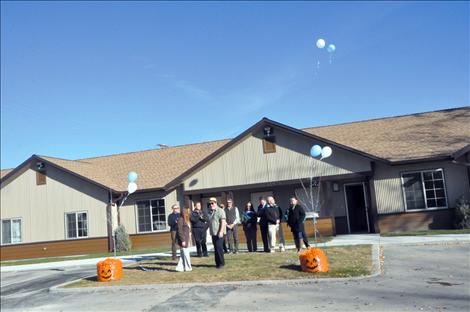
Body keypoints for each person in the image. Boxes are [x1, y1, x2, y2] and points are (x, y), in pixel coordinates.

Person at [208, 197, 226, 268]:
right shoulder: (210, 212)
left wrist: (221, 232)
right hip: (213, 233)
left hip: (219, 233)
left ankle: (221, 263)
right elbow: (209, 222)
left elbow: (223, 222)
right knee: (216, 249)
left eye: (212, 203)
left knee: (219, 248)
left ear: (216, 203)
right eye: (210, 204)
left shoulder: (220, 211)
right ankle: (217, 263)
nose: (211, 205)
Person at [175, 207, 192, 272]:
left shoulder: (187, 220)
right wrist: (183, 240)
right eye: (188, 211)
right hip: (183, 239)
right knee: (186, 254)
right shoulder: (180, 219)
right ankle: (188, 267)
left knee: (183, 255)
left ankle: (179, 268)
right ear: (185, 212)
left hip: (187, 239)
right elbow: (179, 231)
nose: (189, 212)